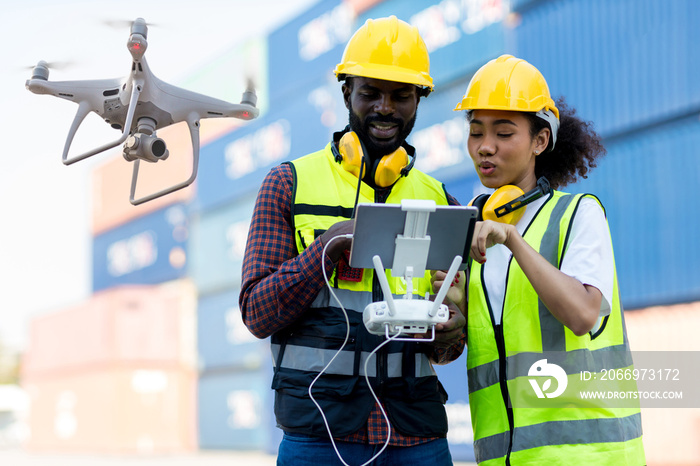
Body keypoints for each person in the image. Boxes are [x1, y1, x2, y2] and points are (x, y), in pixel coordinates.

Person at [239, 16, 465, 466]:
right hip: (317, 434)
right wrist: (326, 247)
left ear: (419, 100)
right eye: (370, 93)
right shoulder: (289, 184)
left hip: (415, 434)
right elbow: (256, 313)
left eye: (402, 95)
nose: (385, 108)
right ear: (347, 94)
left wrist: (452, 328)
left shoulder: (440, 200)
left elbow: (446, 351)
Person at [449, 54, 646, 464]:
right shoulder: (471, 231)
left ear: (540, 141)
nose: (485, 146)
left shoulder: (578, 214)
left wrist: (515, 242)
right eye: (475, 131)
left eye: (504, 133)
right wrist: (452, 310)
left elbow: (583, 314)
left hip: (590, 456)